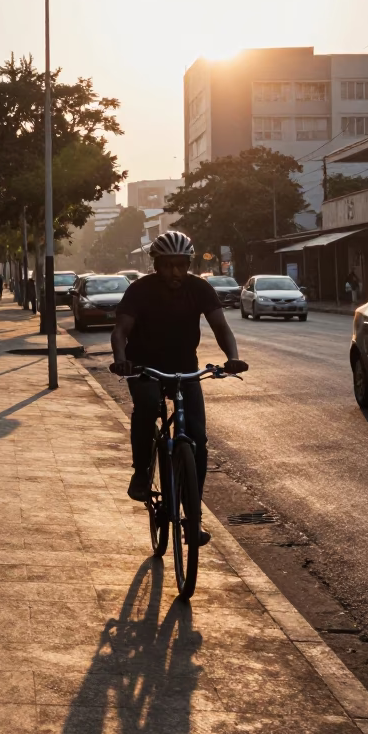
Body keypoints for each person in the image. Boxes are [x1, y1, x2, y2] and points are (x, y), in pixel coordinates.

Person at [109, 230, 249, 546]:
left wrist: (233, 358)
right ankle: (142, 473)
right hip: (144, 367)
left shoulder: (199, 289)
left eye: (182, 265)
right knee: (146, 408)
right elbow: (120, 332)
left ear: (189, 264)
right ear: (156, 264)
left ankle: (191, 519)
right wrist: (121, 361)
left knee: (197, 439)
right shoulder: (139, 291)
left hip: (186, 368)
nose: (176, 272)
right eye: (169, 265)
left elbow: (221, 327)